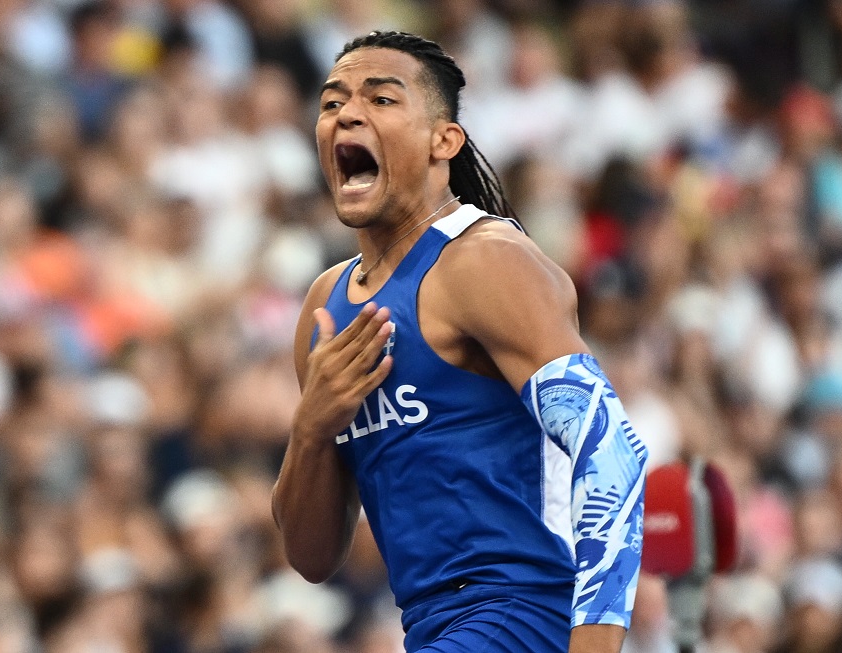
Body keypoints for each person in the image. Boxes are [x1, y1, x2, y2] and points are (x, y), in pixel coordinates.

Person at [271, 31, 647, 653]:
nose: (347, 115)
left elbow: (611, 452)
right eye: (332, 103)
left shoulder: (484, 260)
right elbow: (312, 558)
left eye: (380, 99)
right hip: (431, 627)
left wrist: (595, 643)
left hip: (528, 611)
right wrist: (310, 428)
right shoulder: (325, 306)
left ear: (443, 141)